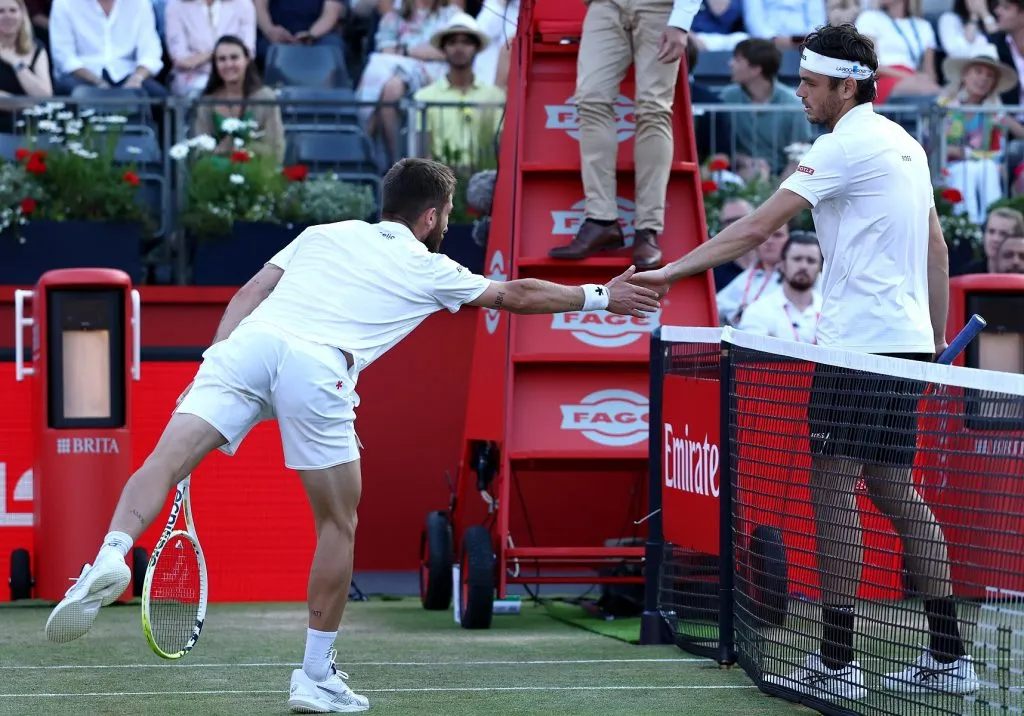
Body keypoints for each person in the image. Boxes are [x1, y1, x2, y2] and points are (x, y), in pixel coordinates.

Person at [42, 157, 660, 714]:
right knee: (338, 524)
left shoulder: (322, 234)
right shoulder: (429, 264)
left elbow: (252, 293)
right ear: (431, 216)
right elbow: (514, 294)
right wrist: (601, 296)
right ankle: (313, 676)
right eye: (444, 216)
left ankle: (111, 554)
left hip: (248, 345)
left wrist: (217, 361)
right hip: (319, 367)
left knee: (164, 461)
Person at [628, 23, 978, 700]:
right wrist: (932, 341)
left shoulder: (842, 145)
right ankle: (948, 657)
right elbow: (936, 250)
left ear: (847, 86)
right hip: (901, 344)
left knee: (833, 490)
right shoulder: (907, 145)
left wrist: (669, 272)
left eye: (812, 84)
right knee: (895, 490)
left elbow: (758, 227)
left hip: (857, 348)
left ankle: (840, 663)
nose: (802, 94)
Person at [545, 0, 699, 269]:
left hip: (660, 6)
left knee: (654, 108)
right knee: (591, 100)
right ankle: (601, 219)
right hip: (606, 4)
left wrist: (681, 20)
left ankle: (647, 229)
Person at [737, 231, 821, 343]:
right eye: (797, 259)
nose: (803, 266)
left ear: (820, 267)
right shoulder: (759, 310)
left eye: (811, 261)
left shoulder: (831, 312)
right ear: (782, 264)